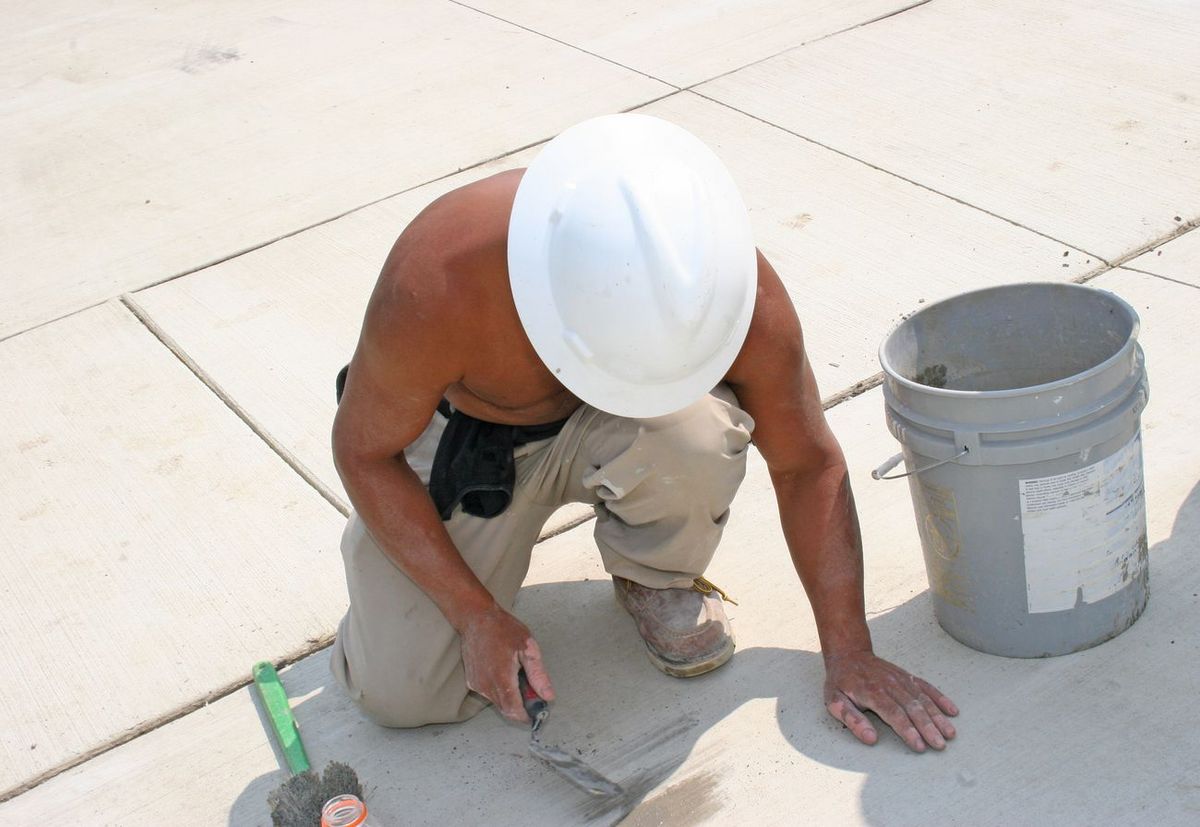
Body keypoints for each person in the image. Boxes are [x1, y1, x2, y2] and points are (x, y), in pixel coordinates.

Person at [329, 114, 958, 753]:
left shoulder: (730, 286)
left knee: (699, 434)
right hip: (471, 437)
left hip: (616, 434)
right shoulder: (441, 275)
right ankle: (409, 574)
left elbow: (808, 464)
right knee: (404, 695)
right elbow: (362, 451)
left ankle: (651, 576)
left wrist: (850, 651)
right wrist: (474, 614)